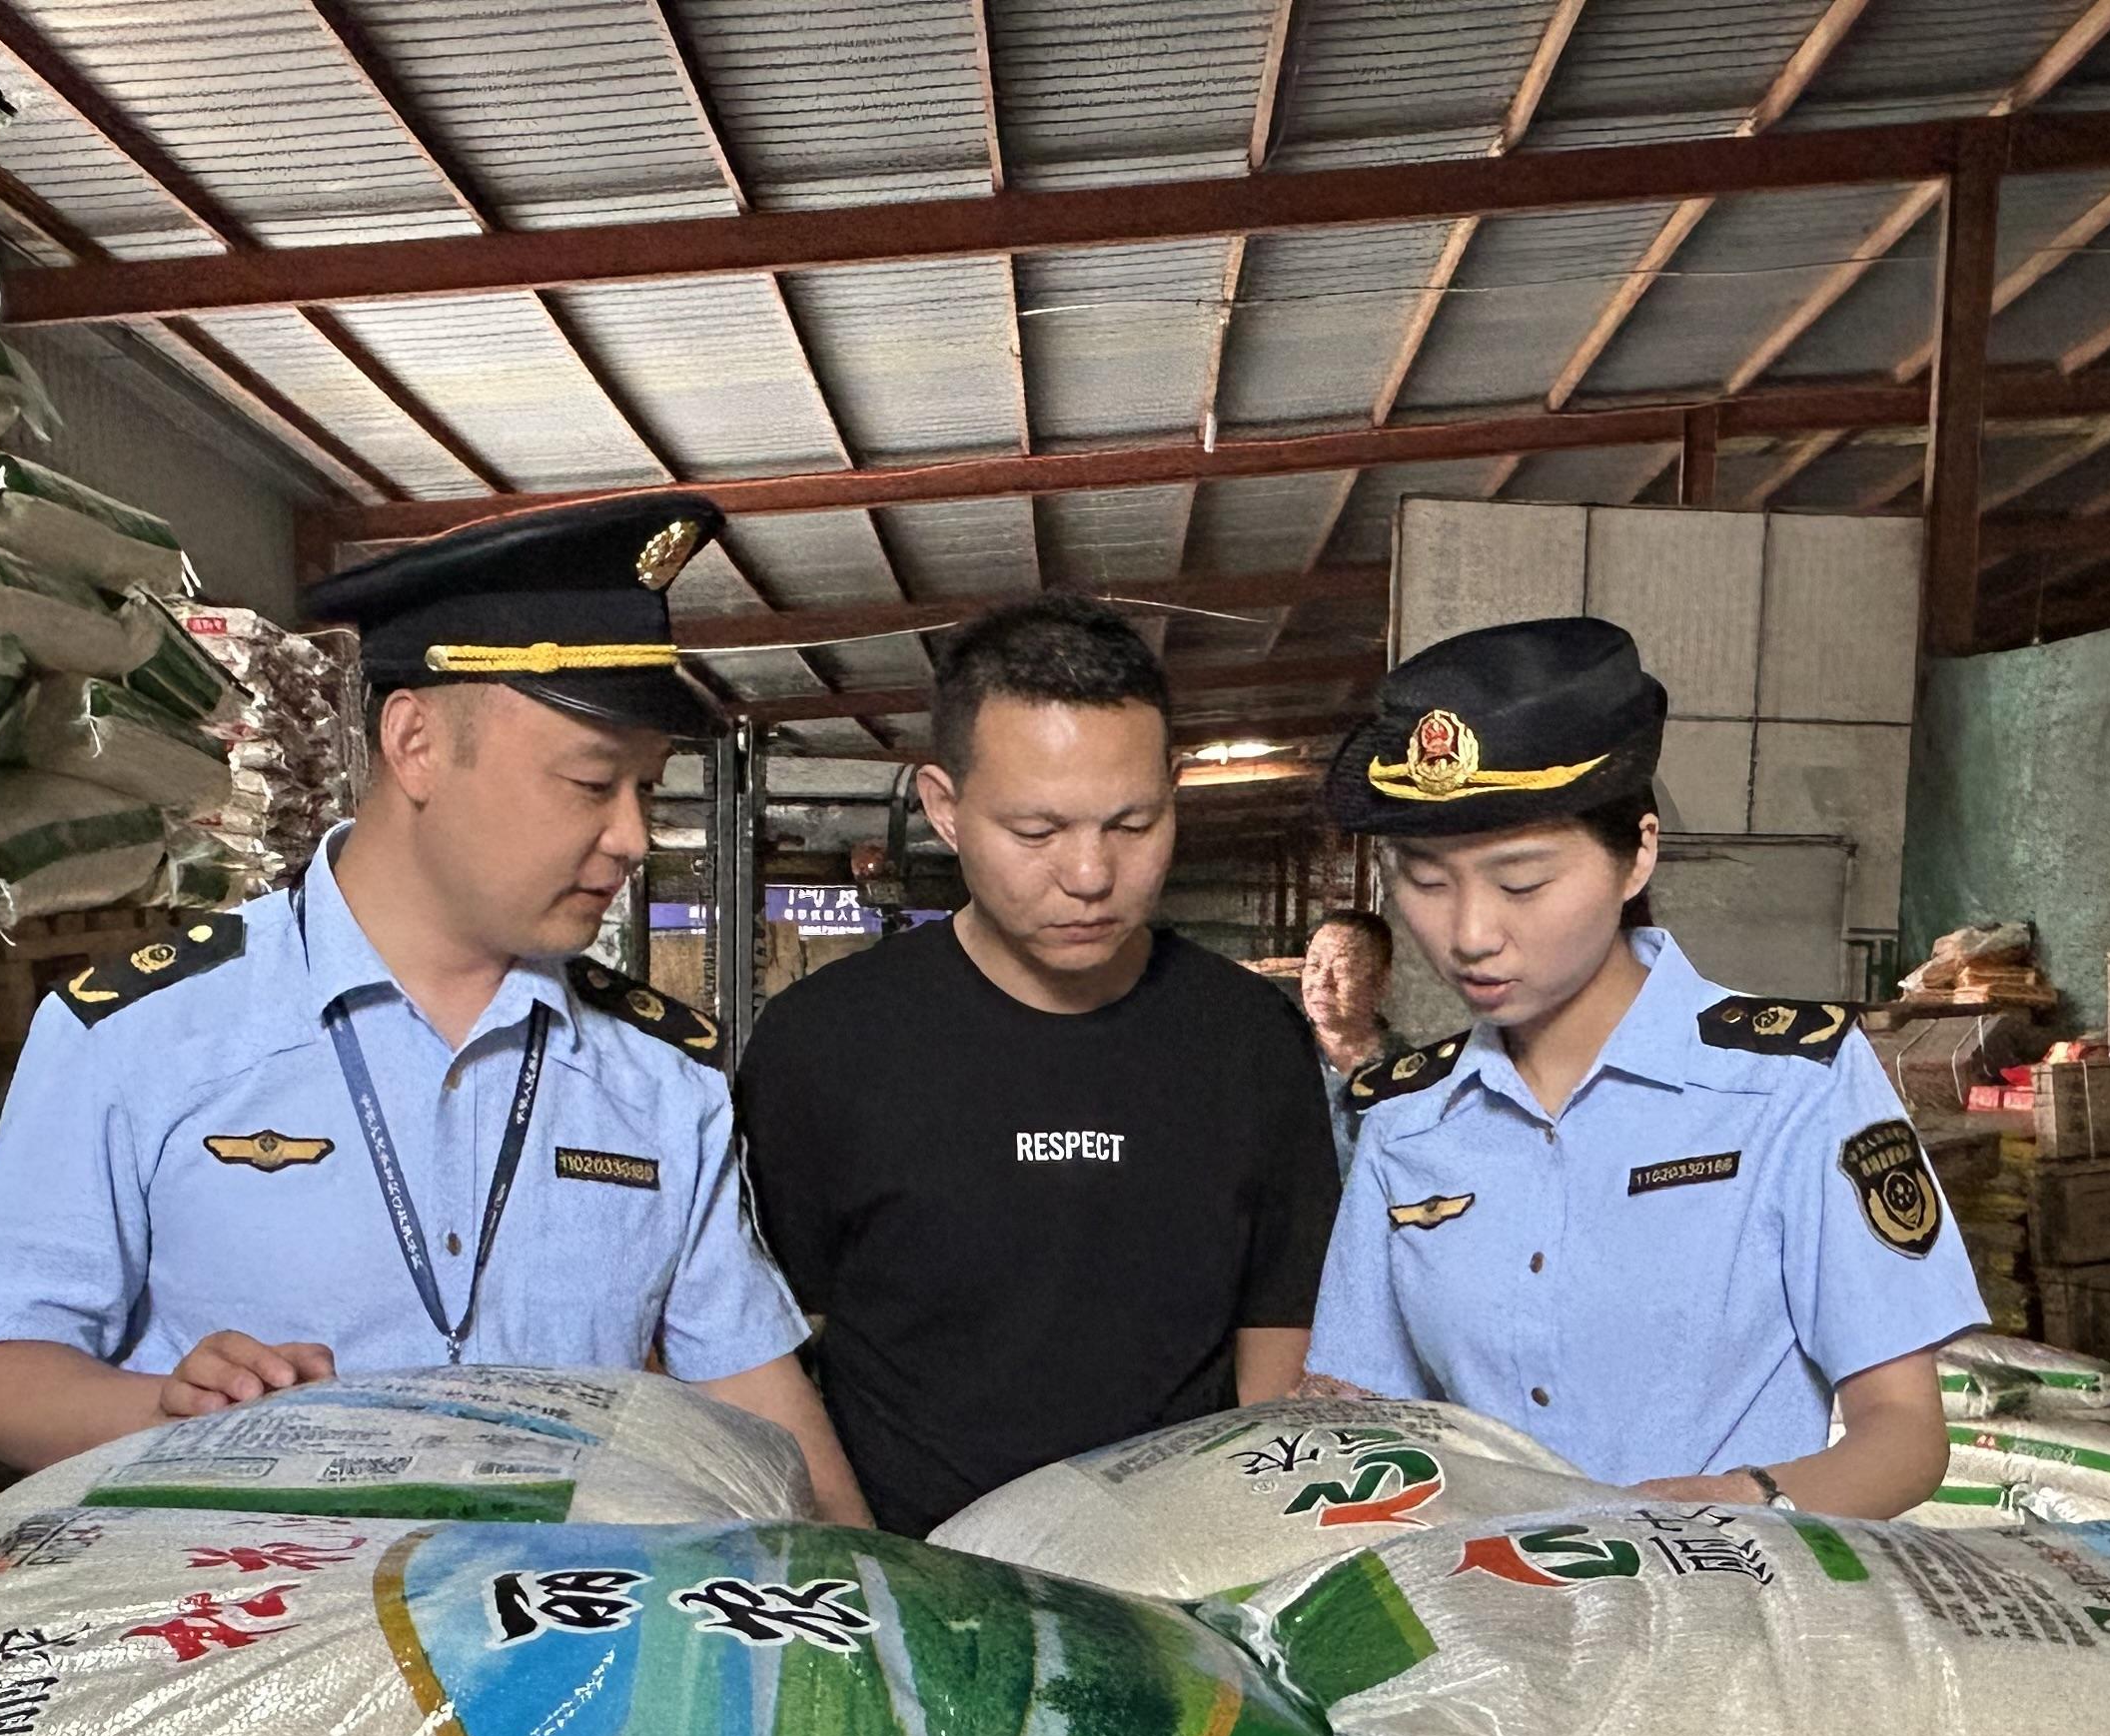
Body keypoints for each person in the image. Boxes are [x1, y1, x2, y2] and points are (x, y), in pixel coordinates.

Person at [0, 491, 866, 1520]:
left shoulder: (661, 1076)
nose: (633, 838)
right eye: (594, 785)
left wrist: (876, 1594)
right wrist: (172, 1416)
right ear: (415, 744)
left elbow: (750, 1388)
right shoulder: (147, 1034)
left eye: (648, 788)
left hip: (553, 1607)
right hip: (245, 1606)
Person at [1305, 615, 1980, 1517]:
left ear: (1639, 856)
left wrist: (1728, 1501)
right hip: (1482, 1592)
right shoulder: (1404, 1121)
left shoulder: (1796, 1086)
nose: (1470, 933)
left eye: (1521, 882)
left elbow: (1904, 1435)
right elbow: (1366, 1419)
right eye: (1425, 881)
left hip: (1725, 1584)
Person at [735, 596, 1341, 1535]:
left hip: (1177, 1568)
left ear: (1174, 789)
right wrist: (860, 1560)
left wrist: (1250, 1542)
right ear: (945, 808)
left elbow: (1279, 1320)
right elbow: (766, 1351)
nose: (1090, 875)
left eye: (1132, 824)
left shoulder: (1250, 1039)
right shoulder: (823, 1043)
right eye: (1036, 832)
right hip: (913, 1570)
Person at [1296, 906, 1393, 1170]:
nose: (1322, 981)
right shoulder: (1274, 1056)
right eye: (1314, 965)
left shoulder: (1413, 1077)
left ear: (1381, 983)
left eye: (1342, 967)